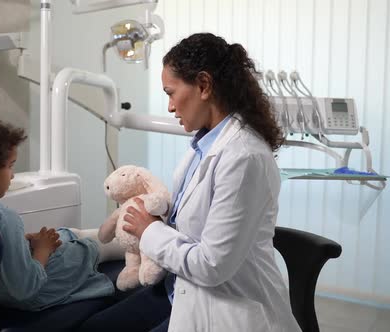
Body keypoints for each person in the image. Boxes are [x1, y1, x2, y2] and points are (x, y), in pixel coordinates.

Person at [80, 33, 301, 331]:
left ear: (204, 85)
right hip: (182, 288)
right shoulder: (203, 145)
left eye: (171, 93)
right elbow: (191, 223)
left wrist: (148, 229)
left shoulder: (244, 157)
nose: (170, 107)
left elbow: (211, 266)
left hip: (224, 303)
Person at [0, 114, 115, 312]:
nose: (13, 174)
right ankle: (127, 243)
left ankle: (99, 233)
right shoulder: (3, 217)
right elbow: (25, 289)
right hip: (28, 297)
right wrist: (42, 250)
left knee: (62, 235)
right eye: (10, 165)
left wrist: (21, 244)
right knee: (81, 249)